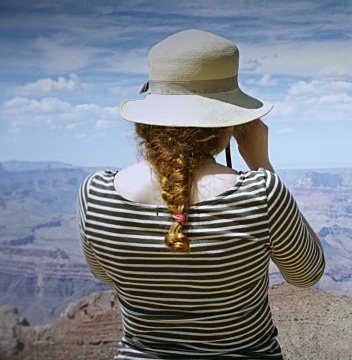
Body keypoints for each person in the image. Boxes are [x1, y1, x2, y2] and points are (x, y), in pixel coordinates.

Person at [77, 29, 325, 359]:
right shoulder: (261, 193)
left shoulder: (96, 194)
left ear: (146, 122)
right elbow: (306, 274)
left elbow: (106, 275)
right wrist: (262, 164)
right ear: (230, 127)